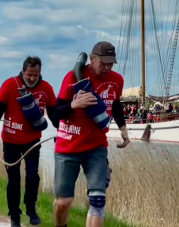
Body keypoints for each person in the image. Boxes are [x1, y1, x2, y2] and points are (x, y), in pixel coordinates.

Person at [50, 41, 130, 227]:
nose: (107, 68)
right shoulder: (73, 76)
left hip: (96, 148)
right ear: (92, 59)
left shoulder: (116, 80)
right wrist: (74, 105)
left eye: (111, 63)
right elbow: (55, 113)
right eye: (103, 63)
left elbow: (115, 104)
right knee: (64, 202)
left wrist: (123, 130)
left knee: (98, 201)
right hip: (68, 147)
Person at [0, 56, 56, 227]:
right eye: (29, 74)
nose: (32, 78)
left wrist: (63, 131)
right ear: (23, 71)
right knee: (14, 180)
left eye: (36, 75)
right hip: (10, 140)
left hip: (32, 140)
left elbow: (54, 113)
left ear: (40, 73)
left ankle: (31, 209)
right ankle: (14, 215)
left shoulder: (46, 88)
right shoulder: (10, 85)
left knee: (32, 176)